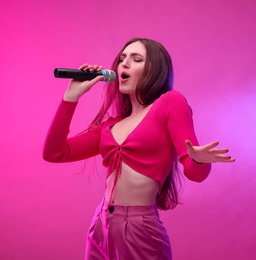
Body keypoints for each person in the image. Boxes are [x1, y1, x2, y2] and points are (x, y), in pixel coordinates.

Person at [43, 38, 235, 260]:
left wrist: (199, 159)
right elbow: (54, 153)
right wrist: (71, 97)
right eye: (122, 58)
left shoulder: (170, 103)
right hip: (100, 226)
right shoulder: (110, 125)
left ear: (154, 70)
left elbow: (195, 173)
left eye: (136, 59)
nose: (124, 64)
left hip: (138, 230)